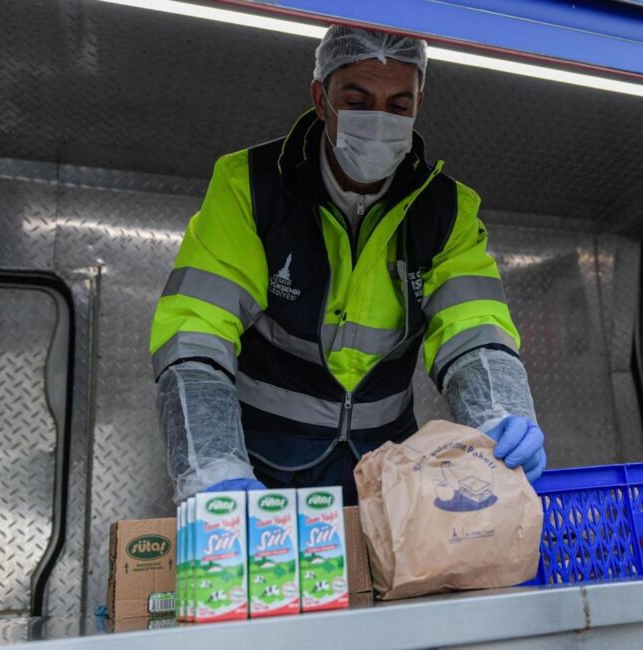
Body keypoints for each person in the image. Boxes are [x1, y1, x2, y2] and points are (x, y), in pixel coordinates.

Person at [150, 25, 546, 505]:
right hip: (262, 466)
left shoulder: (445, 210)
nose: (379, 121)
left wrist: (499, 413)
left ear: (418, 102)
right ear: (321, 98)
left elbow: (473, 327)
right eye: (357, 102)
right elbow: (195, 332)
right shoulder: (250, 186)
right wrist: (213, 464)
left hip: (386, 470)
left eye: (398, 106)